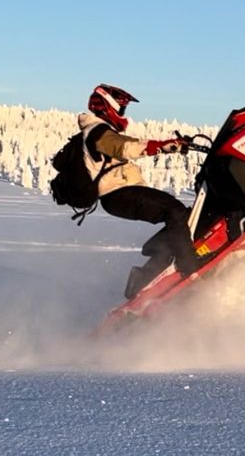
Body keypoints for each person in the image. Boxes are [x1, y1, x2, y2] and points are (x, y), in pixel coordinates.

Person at [79, 84, 200, 297]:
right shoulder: (97, 132)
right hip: (118, 194)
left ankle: (145, 275)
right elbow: (125, 147)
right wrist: (163, 146)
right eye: (122, 109)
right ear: (109, 107)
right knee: (175, 211)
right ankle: (190, 269)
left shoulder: (98, 131)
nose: (123, 115)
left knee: (182, 217)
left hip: (121, 193)